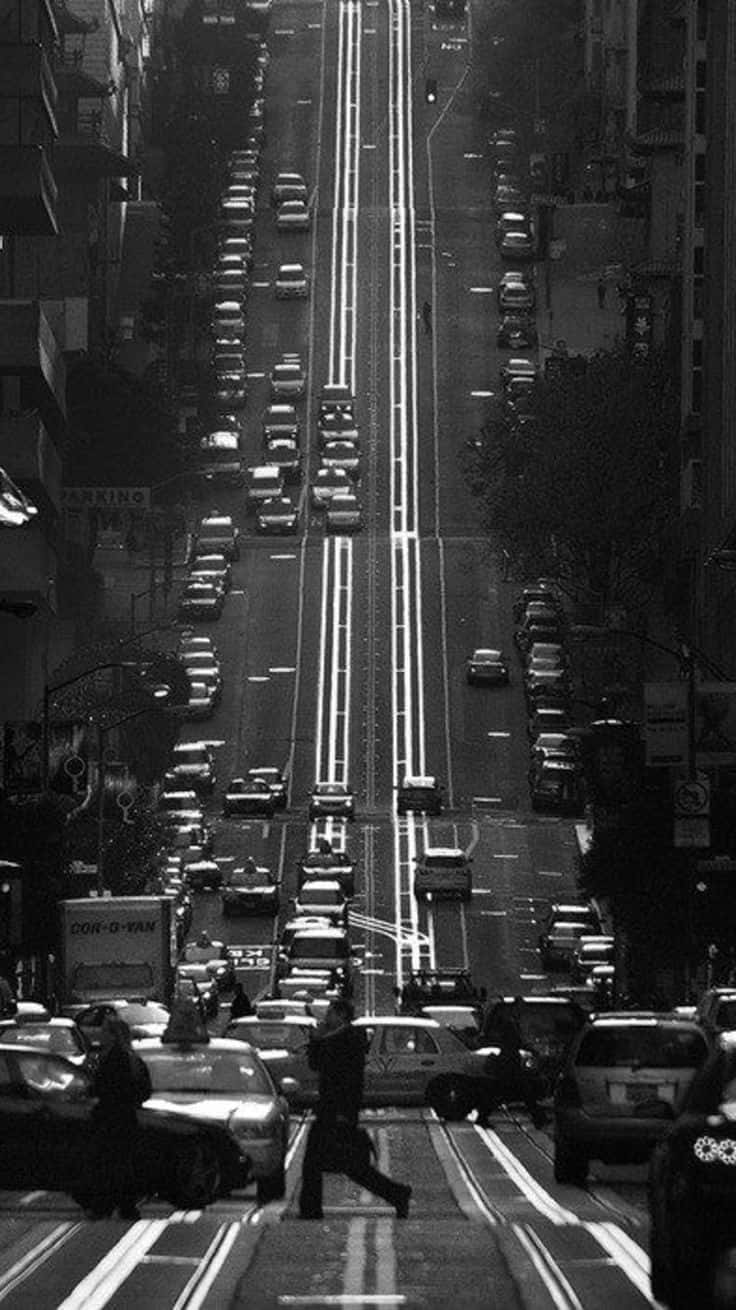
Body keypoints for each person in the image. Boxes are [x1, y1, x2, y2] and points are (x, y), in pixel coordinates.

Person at [298, 998, 412, 1219]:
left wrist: (344, 1112)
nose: (326, 1017)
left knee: (327, 1162)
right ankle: (397, 1193)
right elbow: (316, 1064)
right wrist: (318, 1039)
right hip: (331, 1109)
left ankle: (311, 1209)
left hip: (338, 1111)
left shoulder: (348, 1039)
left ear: (341, 1015)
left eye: (330, 1013)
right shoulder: (337, 1037)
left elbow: (346, 1078)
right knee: (348, 1165)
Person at [87, 1016, 152, 1219]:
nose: (101, 1034)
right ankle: (125, 1205)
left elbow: (102, 1087)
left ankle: (106, 1206)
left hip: (110, 1118)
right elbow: (145, 1089)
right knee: (123, 1163)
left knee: (108, 1163)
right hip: (127, 1117)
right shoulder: (133, 1059)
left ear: (114, 1036)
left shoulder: (113, 1059)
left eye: (105, 1031)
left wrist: (94, 1092)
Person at [475, 998, 547, 1129]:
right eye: (520, 1008)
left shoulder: (510, 1023)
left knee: (504, 1093)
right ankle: (539, 1118)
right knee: (520, 1092)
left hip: (509, 1062)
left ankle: (538, 1118)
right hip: (508, 1063)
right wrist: (532, 1050)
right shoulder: (509, 1024)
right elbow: (515, 1042)